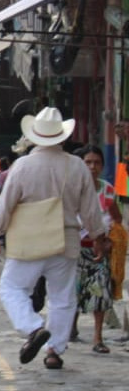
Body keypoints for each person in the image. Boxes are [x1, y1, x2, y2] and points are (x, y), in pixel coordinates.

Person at [0, 107, 107, 371]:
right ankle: (54, 350)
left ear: (35, 137)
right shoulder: (77, 166)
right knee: (62, 297)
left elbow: (5, 205)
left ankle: (34, 327)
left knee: (12, 288)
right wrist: (98, 236)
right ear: (62, 137)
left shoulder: (23, 165)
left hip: (29, 241)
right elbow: (90, 209)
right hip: (66, 240)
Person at [71, 146, 121, 353]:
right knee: (73, 291)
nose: (92, 167)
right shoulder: (71, 189)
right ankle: (70, 328)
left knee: (100, 292)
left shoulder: (108, 190)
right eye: (88, 162)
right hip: (74, 249)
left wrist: (112, 235)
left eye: (96, 162)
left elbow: (117, 218)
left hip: (99, 250)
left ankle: (97, 337)